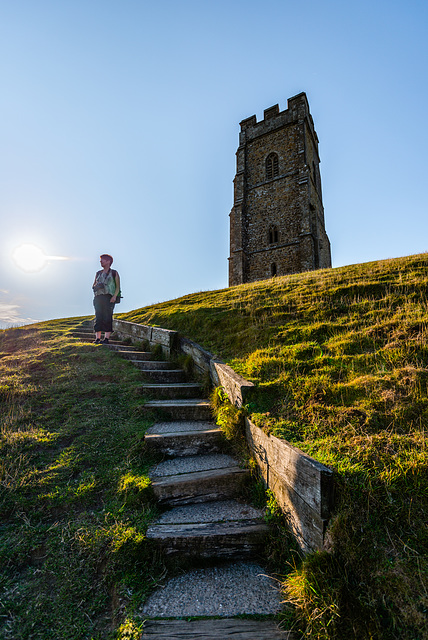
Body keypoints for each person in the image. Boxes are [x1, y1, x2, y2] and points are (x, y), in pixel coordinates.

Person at [92, 254, 121, 344]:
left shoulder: (114, 273)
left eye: (102, 260)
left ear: (108, 261)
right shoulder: (98, 273)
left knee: (108, 317)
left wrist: (114, 296)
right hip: (98, 297)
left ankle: (106, 339)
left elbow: (117, 287)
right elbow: (93, 285)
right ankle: (97, 338)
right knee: (98, 316)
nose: (100, 261)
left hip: (108, 297)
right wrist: (96, 286)